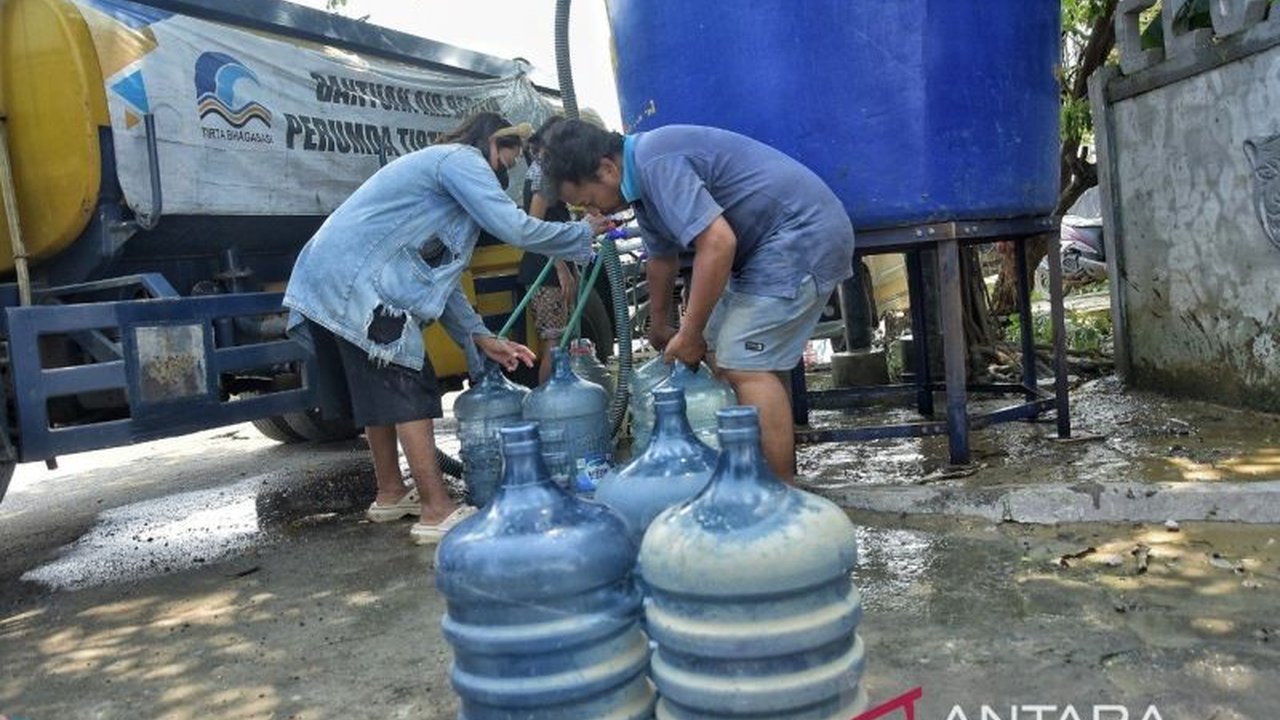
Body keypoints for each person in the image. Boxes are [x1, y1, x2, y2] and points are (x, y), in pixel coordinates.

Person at [284, 112, 608, 544]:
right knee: (407, 382)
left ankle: (391, 492)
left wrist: (479, 336)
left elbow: (441, 277)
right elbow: (514, 227)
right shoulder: (461, 160)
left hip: (328, 278)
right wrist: (579, 231)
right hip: (358, 283)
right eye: (506, 162)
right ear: (493, 143)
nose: (504, 175)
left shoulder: (444, 190)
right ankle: (438, 510)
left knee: (377, 389)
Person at [541, 120, 855, 483]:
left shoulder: (657, 161)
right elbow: (661, 257)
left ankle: (779, 497)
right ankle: (754, 475)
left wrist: (689, 332)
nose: (597, 213)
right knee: (726, 355)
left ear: (607, 169)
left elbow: (718, 243)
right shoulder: (640, 182)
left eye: (590, 201)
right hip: (768, 249)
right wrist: (658, 322)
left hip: (801, 236)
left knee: (743, 363)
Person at [516, 116, 578, 383]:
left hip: (552, 268)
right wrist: (560, 266)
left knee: (562, 345)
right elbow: (534, 226)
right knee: (554, 346)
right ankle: (549, 409)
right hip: (545, 271)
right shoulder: (542, 174)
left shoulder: (544, 172)